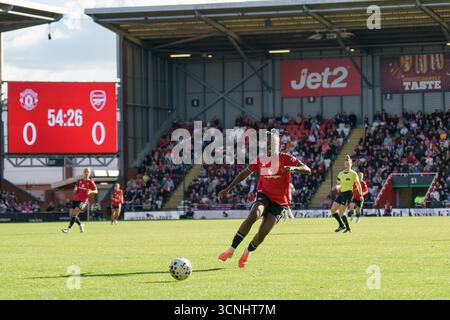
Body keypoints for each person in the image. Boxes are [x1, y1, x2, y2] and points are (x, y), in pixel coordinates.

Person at [217, 130, 311, 268]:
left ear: (278, 145)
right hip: (264, 195)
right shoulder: (261, 159)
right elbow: (245, 173)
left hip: (280, 202)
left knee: (263, 232)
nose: (270, 146)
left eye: (273, 143)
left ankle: (247, 252)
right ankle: (231, 250)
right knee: (253, 215)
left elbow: (307, 169)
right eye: (267, 144)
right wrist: (228, 189)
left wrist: (292, 169)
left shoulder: (286, 158)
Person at [330, 155, 363, 233]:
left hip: (348, 194)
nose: (347, 164)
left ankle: (348, 228)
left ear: (351, 164)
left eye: (348, 163)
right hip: (341, 193)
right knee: (333, 210)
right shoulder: (340, 174)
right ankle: (342, 225)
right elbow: (339, 184)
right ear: (344, 164)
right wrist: (336, 187)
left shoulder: (353, 174)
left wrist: (361, 195)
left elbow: (358, 185)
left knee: (341, 212)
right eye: (346, 163)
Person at [62, 168, 97, 233]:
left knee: (74, 214)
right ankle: (81, 225)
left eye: (88, 172)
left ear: (89, 173)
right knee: (71, 214)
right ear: (83, 173)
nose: (86, 173)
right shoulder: (79, 181)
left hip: (83, 200)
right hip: (76, 199)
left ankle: (68, 229)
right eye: (85, 171)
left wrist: (91, 192)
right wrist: (75, 189)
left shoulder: (91, 182)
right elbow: (75, 190)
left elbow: (96, 191)